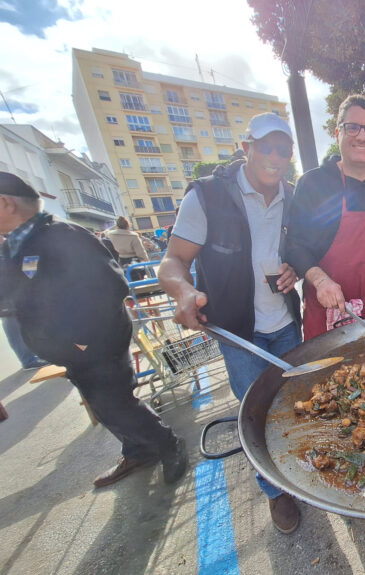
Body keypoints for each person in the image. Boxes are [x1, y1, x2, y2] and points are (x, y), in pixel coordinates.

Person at [158, 113, 302, 534]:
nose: (275, 157)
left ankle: (297, 473)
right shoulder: (207, 196)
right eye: (266, 147)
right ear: (247, 148)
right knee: (254, 415)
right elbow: (173, 262)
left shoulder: (292, 197)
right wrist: (184, 293)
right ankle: (276, 493)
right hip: (237, 332)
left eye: (283, 150)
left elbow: (296, 249)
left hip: (285, 323)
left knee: (292, 406)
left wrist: (294, 265)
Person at [0, 171, 187, 487]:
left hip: (96, 345)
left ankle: (169, 445)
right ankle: (138, 450)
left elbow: (111, 287)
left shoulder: (63, 235)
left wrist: (84, 341)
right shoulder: (15, 245)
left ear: (4, 202)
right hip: (69, 351)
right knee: (103, 405)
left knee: (117, 403)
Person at [285, 95, 365, 340]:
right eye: (352, 127)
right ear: (338, 133)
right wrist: (320, 280)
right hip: (324, 308)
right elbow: (294, 245)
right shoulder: (314, 183)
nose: (361, 136)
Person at [107, 216, 149, 281]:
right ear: (128, 225)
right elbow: (140, 252)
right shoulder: (133, 236)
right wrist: (146, 260)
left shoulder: (110, 235)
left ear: (117, 225)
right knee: (138, 280)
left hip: (118, 261)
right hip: (134, 262)